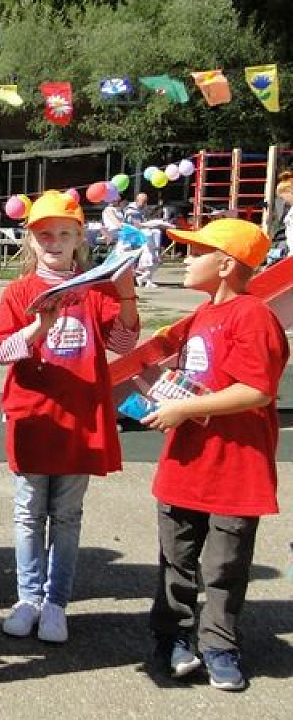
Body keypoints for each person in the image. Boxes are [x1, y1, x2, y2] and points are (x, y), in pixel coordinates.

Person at [140, 219, 288, 692]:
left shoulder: (252, 315)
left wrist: (183, 407)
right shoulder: (203, 316)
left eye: (194, 252)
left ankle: (220, 644)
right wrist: (169, 384)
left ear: (225, 264)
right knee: (176, 560)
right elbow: (207, 379)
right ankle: (172, 639)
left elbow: (257, 391)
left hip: (235, 466)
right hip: (187, 462)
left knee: (224, 566)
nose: (184, 259)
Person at [0, 190, 140, 644]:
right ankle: (27, 598)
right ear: (31, 241)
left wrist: (127, 294)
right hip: (34, 419)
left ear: (79, 239)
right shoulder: (18, 292)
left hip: (81, 418)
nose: (54, 241)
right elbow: (0, 353)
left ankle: (55, 602)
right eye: (45, 234)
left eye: (65, 233)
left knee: (67, 516)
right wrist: (39, 326)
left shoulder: (96, 289)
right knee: (28, 513)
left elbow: (123, 344)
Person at [126, 193, 164, 287]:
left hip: (142, 236)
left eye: (145, 201)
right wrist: (150, 224)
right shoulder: (131, 210)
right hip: (131, 236)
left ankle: (147, 279)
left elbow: (145, 222)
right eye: (142, 201)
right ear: (137, 200)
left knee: (156, 234)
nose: (144, 204)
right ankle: (142, 276)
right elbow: (137, 225)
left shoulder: (143, 210)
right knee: (149, 249)